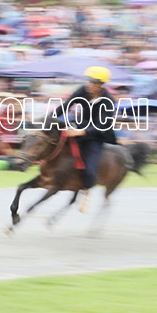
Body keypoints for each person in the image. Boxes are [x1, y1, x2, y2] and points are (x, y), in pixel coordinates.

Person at [52, 66, 118, 210]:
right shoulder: (83, 91)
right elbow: (66, 106)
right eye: (88, 81)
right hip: (80, 125)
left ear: (101, 85)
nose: (89, 84)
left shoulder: (108, 101)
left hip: (98, 136)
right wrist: (48, 119)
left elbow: (102, 125)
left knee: (90, 170)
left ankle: (86, 191)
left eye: (93, 82)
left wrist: (80, 132)